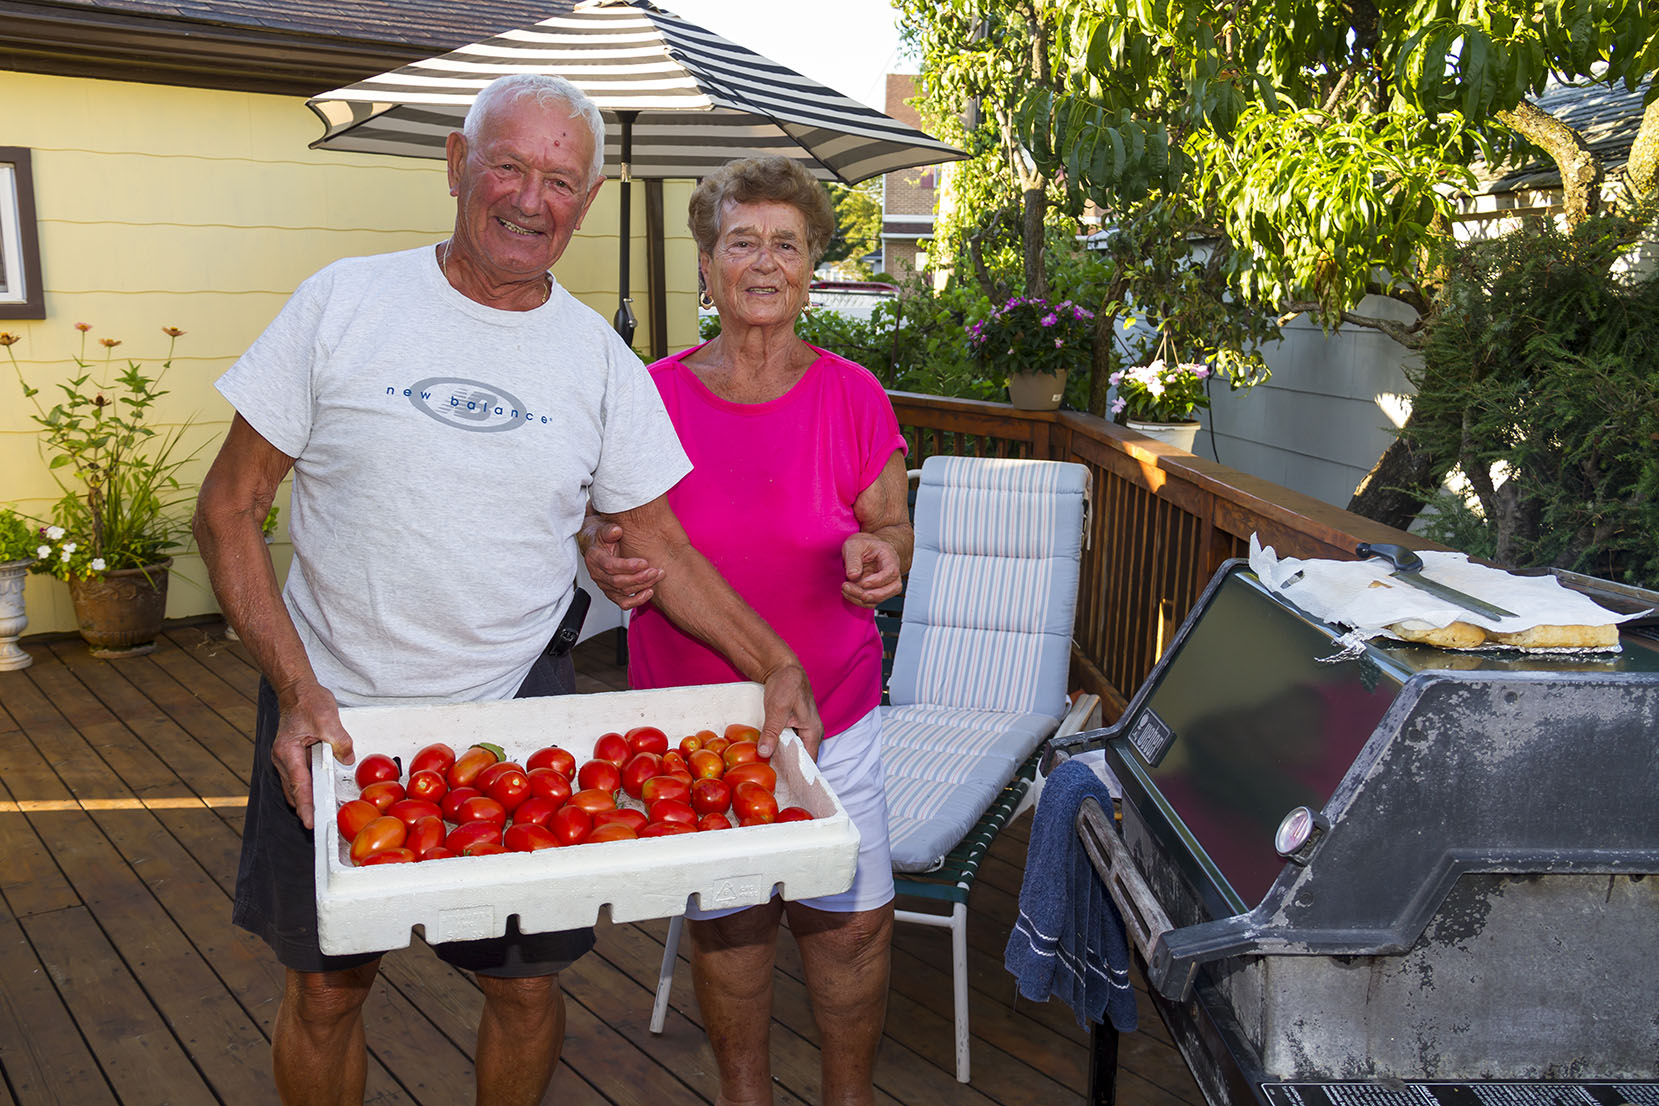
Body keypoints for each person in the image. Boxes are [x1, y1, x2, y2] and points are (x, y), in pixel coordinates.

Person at [193, 76, 821, 1106]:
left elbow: (659, 543)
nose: (532, 200)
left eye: (561, 181)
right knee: (327, 990)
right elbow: (229, 506)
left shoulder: (599, 363)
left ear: (588, 200)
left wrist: (775, 663)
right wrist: (297, 688)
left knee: (525, 990)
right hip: (333, 709)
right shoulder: (343, 302)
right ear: (457, 164)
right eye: (509, 167)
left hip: (517, 715)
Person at [582, 155, 913, 1106]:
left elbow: (890, 523)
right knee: (730, 930)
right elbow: (604, 528)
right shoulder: (649, 393)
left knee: (848, 930)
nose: (765, 262)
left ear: (810, 267)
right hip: (694, 728)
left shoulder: (853, 393)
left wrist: (884, 553)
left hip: (835, 714)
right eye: (741, 242)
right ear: (705, 264)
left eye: (786, 244)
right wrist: (603, 558)